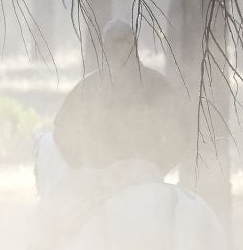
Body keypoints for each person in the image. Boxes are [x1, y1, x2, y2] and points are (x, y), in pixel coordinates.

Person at [52, 19, 187, 178]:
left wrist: (156, 167)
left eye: (123, 42)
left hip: (145, 180)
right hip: (100, 180)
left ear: (134, 45)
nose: (119, 49)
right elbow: (62, 131)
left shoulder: (157, 87)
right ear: (104, 48)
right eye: (113, 44)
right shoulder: (88, 88)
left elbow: (180, 133)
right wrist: (85, 167)